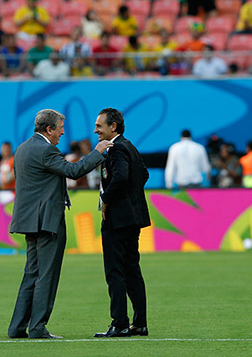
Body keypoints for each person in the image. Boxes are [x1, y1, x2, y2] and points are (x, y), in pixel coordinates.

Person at [8, 109, 111, 339]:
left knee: (31, 274)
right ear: (49, 129)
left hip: (28, 220)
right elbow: (73, 171)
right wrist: (97, 152)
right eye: (60, 128)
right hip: (47, 221)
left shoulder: (22, 148)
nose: (63, 132)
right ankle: (37, 328)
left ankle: (17, 327)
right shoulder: (47, 150)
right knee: (47, 275)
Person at [93, 108, 150, 339]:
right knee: (132, 270)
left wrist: (106, 201)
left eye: (99, 126)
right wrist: (131, 199)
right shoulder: (130, 146)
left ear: (113, 127)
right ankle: (140, 324)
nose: (95, 130)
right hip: (132, 218)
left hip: (117, 220)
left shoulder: (115, 148)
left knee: (115, 271)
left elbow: (120, 176)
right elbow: (143, 174)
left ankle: (119, 324)